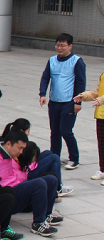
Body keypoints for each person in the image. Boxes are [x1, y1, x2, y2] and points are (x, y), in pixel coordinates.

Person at [0, 130, 60, 237]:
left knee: (52, 179)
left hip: (16, 188)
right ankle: (38, 223)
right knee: (39, 183)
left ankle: (47, 215)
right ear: (8, 144)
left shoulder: (8, 154)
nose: (21, 152)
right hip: (5, 198)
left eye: (23, 149)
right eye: (20, 148)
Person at [39, 33, 86, 170]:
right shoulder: (52, 60)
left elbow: (80, 83)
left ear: (70, 46)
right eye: (58, 45)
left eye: (63, 45)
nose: (59, 48)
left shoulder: (77, 61)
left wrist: (78, 102)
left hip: (69, 102)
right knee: (54, 131)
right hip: (54, 102)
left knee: (66, 131)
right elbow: (45, 77)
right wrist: (42, 94)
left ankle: (74, 159)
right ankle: (54, 157)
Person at [74, 72, 104, 181]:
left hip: (101, 106)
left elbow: (100, 97)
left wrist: (101, 100)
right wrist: (84, 96)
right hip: (101, 114)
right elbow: (96, 92)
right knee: (101, 144)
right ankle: (102, 170)